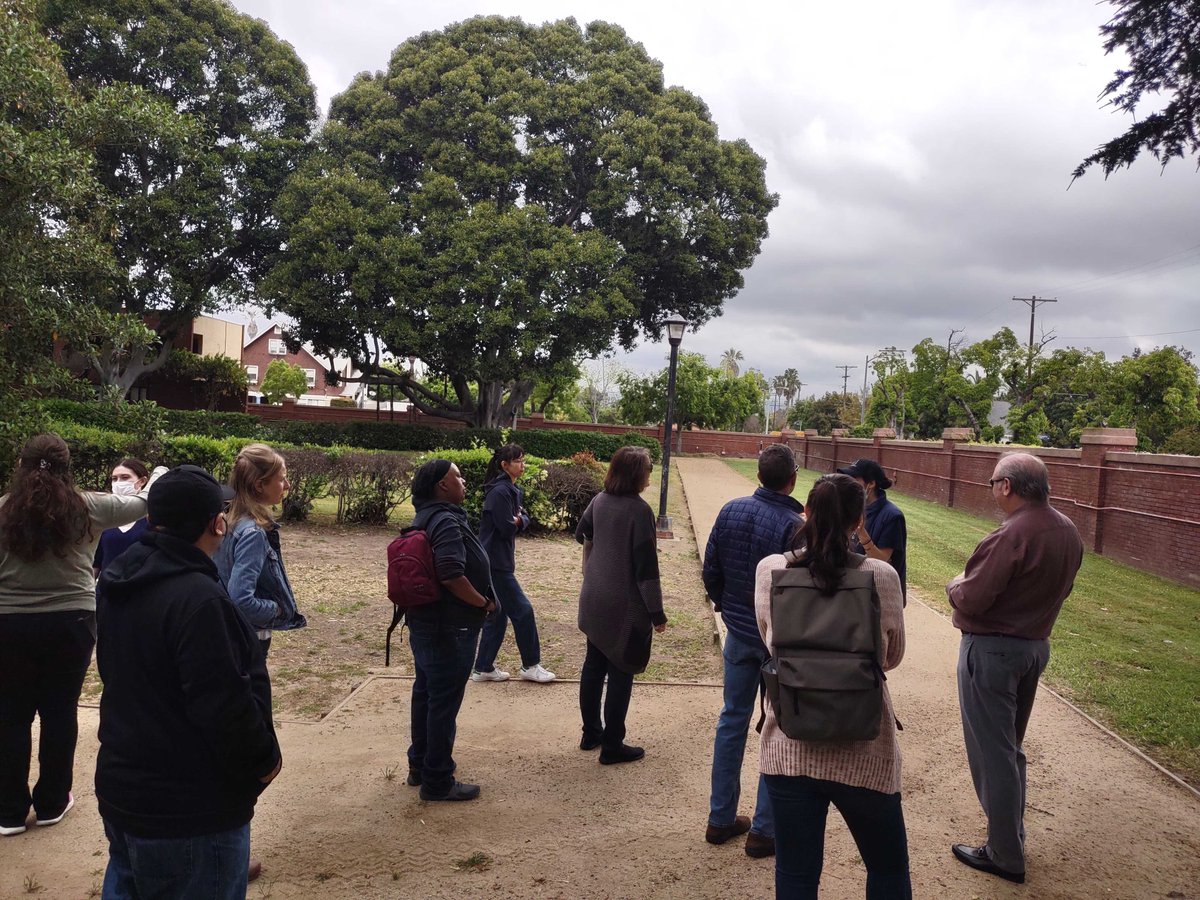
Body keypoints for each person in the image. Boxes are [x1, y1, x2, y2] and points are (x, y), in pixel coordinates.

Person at [95, 465, 282, 899]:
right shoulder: (198, 600)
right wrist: (265, 761)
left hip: (127, 787)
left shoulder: (121, 577)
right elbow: (224, 706)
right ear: (217, 524)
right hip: (190, 808)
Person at [755, 473, 910, 898]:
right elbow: (891, 657)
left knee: (796, 873)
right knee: (887, 868)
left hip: (790, 743)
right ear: (859, 519)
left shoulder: (771, 570)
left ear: (806, 512)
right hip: (864, 747)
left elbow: (768, 639)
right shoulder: (881, 576)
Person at [0, 434, 163, 837]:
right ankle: (54, 802)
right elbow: (145, 505)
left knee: (10, 716)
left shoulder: (3, 509)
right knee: (60, 711)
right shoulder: (88, 505)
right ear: (66, 467)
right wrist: (157, 475)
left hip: (8, 622)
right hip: (71, 622)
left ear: (21, 465)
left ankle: (8, 811)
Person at [947, 452, 1083, 885]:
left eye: (992, 482)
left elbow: (972, 597)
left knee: (994, 753)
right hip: (1032, 648)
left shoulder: (1012, 534)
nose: (991, 490)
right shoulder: (1067, 530)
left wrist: (953, 584)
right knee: (1009, 748)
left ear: (1006, 485)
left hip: (992, 652)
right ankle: (1012, 836)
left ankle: (1004, 853)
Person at [702, 443, 803, 859]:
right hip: (774, 640)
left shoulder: (730, 510)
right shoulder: (792, 525)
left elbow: (711, 568)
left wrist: (724, 606)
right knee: (776, 726)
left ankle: (720, 817)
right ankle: (764, 829)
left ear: (759, 475)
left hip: (740, 633)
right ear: (792, 479)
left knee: (732, 720)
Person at [405, 458, 497, 801]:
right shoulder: (444, 520)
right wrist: (482, 603)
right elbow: (450, 573)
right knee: (442, 702)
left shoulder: (425, 515)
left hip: (426, 622)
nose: (463, 481)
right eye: (458, 476)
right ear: (442, 485)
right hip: (451, 626)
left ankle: (420, 766)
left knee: (426, 692)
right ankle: (438, 781)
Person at [574, 446, 668, 765]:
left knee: (593, 665)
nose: (650, 474)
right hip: (623, 606)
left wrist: (595, 560)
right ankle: (613, 745)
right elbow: (646, 571)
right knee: (622, 670)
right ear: (634, 474)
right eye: (647, 469)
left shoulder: (599, 500)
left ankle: (591, 733)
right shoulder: (639, 512)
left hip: (594, 597)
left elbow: (582, 533)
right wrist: (657, 614)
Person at [471, 444, 556, 684]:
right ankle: (531, 665)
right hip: (495, 562)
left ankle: (483, 668)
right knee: (523, 610)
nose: (522, 464)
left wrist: (521, 519)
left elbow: (520, 518)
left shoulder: (509, 489)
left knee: (498, 614)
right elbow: (507, 527)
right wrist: (521, 521)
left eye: (522, 459)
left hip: (497, 559)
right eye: (517, 461)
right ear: (504, 465)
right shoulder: (500, 492)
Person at [215, 443, 307, 658]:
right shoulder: (253, 533)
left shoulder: (224, 522)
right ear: (259, 485)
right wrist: (277, 609)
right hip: (249, 638)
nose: (287, 485)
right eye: (281, 478)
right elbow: (242, 600)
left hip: (225, 633)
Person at [837, 458, 907, 602]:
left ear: (871, 484)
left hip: (882, 594)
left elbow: (883, 560)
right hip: (857, 591)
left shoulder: (892, 516)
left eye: (854, 479)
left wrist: (862, 533)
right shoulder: (852, 508)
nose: (848, 483)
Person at [93, 459, 151, 578]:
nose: (118, 483)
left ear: (142, 481)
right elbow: (96, 563)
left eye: (125, 477)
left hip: (140, 590)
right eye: (114, 479)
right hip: (106, 591)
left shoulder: (150, 519)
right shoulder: (104, 518)